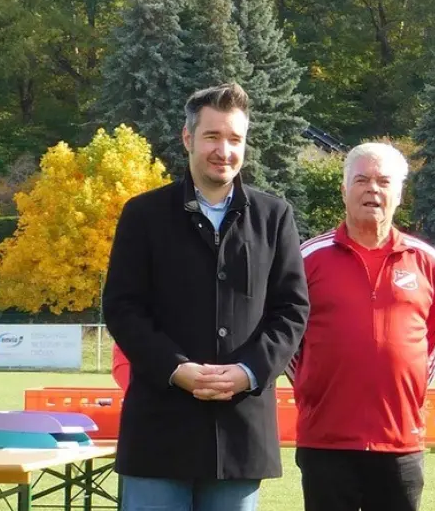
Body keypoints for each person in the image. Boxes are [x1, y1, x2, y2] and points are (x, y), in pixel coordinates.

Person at [102, 82, 310, 511]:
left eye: (235, 139)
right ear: (188, 138)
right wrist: (176, 369)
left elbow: (291, 311)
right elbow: (123, 308)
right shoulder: (143, 215)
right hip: (159, 432)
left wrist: (249, 371)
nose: (224, 150)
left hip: (240, 433)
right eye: (212, 136)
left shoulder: (275, 217)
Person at [288, 142, 435, 511]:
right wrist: (313, 386)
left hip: (399, 440)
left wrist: (404, 392)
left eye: (383, 181)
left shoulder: (426, 261)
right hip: (326, 441)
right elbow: (289, 340)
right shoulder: (307, 258)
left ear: (399, 193)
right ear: (344, 190)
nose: (372, 190)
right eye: (361, 180)